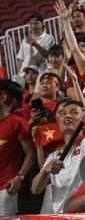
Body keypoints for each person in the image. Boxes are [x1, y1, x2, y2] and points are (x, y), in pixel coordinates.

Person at [31, 101, 85, 213]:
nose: (67, 115)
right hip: (60, 215)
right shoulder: (53, 156)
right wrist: (45, 172)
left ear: (83, 120)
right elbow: (35, 189)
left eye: (74, 112)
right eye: (63, 113)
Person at [0, 80, 35, 216]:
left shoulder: (17, 123)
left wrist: (19, 177)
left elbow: (31, 153)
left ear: (3, 97)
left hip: (5, 189)